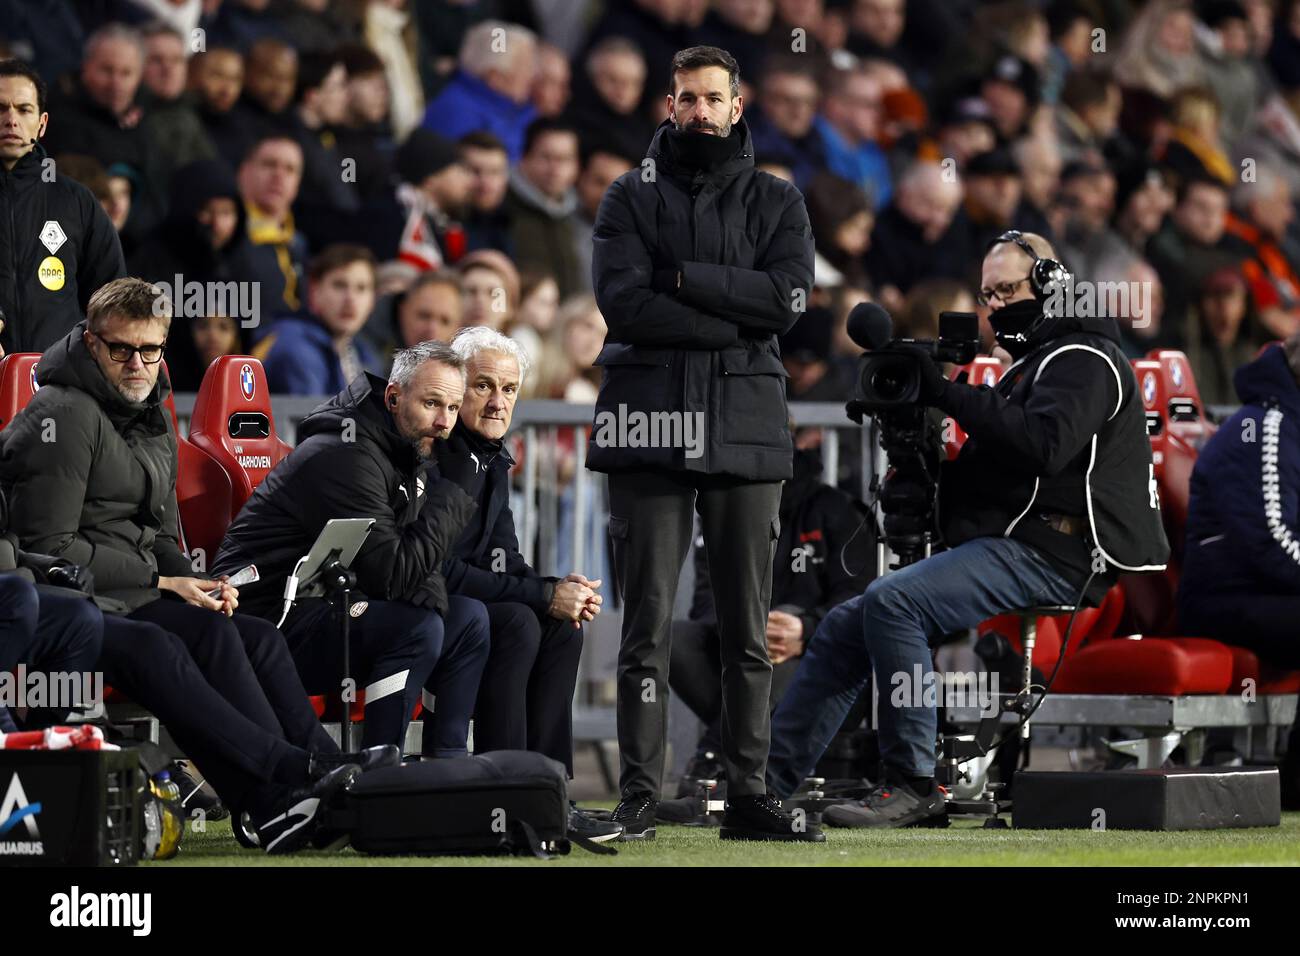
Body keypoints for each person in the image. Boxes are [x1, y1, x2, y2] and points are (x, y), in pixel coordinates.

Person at [765, 231, 1170, 827]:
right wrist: (923, 454)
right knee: (849, 621)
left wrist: (947, 393)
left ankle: (912, 783)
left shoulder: (1084, 358)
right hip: (1019, 543)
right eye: (987, 295)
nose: (996, 306)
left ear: (1052, 285)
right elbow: (993, 476)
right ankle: (765, 786)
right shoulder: (1030, 368)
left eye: (1007, 289)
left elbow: (1043, 444)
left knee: (893, 601)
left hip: (1060, 552)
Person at [0, 277, 381, 853]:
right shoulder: (65, 415)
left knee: (252, 636)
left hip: (131, 594)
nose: (137, 363)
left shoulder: (147, 403)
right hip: (81, 604)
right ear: (90, 341)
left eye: (150, 349)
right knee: (185, 643)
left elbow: (153, 530)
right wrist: (162, 580)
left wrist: (198, 580)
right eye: (120, 349)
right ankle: (275, 794)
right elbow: (51, 552)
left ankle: (325, 776)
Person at [589, 45, 821, 842]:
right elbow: (624, 307)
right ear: (669, 103)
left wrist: (683, 278)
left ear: (736, 104)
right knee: (644, 629)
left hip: (744, 428)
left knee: (747, 630)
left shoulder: (779, 201)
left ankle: (751, 795)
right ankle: (642, 796)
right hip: (649, 426)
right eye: (686, 98)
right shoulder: (627, 196)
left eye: (711, 98)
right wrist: (736, 319)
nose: (698, 111)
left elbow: (788, 301)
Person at [213, 341, 492, 758]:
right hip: (268, 621)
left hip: (326, 604)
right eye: (432, 403)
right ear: (393, 397)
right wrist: (453, 493)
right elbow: (393, 574)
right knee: (417, 628)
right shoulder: (348, 455)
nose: (444, 422)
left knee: (469, 619)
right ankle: (379, 774)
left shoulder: (403, 450)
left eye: (452, 408)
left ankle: (444, 766)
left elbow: (415, 568)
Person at [435, 326, 620, 842]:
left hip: (474, 605)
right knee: (520, 619)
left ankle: (550, 790)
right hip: (424, 610)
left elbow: (506, 561)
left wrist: (561, 588)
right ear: (456, 387)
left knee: (560, 626)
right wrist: (540, 595)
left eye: (510, 390)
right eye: (483, 386)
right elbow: (437, 570)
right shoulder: (441, 457)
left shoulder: (492, 458)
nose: (498, 403)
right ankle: (507, 795)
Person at [668, 445, 874, 799]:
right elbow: (705, 604)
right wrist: (748, 627)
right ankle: (736, 759)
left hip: (825, 661)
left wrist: (806, 630)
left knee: (782, 645)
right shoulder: (722, 512)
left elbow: (860, 598)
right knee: (672, 640)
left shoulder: (836, 509)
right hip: (740, 646)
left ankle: (715, 759)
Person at [1178, 333, 1300, 809]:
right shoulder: (1263, 428)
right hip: (1224, 599)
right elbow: (1271, 541)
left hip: (1270, 591)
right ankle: (1294, 783)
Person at [0, 58, 125, 355]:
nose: (11, 119)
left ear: (42, 124)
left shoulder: (76, 201)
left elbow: (112, 301)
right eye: (1, 108)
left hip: (59, 385)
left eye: (23, 109)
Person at [258, 243, 383, 395]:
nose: (350, 299)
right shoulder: (295, 346)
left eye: (361, 288)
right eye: (339, 285)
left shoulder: (364, 353)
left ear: (373, 300)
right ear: (314, 291)